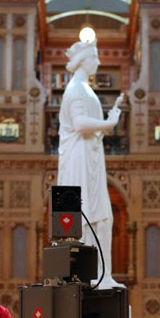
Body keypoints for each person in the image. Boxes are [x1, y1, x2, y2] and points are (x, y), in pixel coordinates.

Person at [57, 38, 124, 288]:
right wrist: (109, 123)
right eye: (94, 57)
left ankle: (100, 274)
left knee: (100, 215)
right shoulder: (76, 89)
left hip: (89, 156)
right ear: (83, 61)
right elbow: (80, 125)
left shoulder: (83, 88)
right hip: (79, 159)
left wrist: (108, 121)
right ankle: (86, 274)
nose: (98, 61)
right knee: (86, 213)